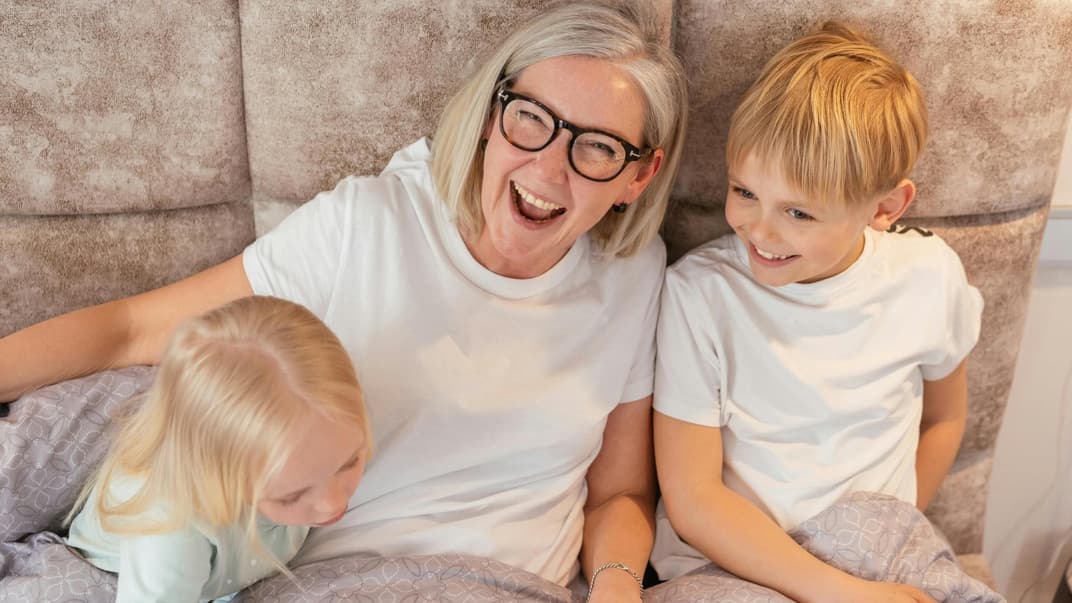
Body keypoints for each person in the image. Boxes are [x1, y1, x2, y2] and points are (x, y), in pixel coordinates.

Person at [0, 2, 688, 601]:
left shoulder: (634, 276)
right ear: (491, 114)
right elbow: (132, 330)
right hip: (327, 582)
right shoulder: (368, 226)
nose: (548, 167)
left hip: (508, 584)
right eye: (531, 119)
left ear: (639, 174)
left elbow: (620, 493)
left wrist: (616, 585)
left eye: (598, 148)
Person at [649, 22, 983, 603]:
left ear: (885, 207)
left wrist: (893, 530)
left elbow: (944, 419)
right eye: (745, 192)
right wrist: (842, 594)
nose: (760, 230)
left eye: (799, 213)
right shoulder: (699, 296)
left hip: (878, 550)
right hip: (734, 566)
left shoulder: (928, 275)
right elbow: (693, 499)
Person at [65, 296, 371, 602]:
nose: (333, 503)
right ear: (221, 475)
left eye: (350, 462)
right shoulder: (171, 530)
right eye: (292, 496)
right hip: (112, 577)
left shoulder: (322, 422)